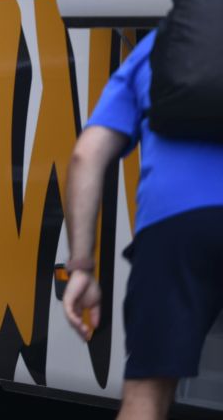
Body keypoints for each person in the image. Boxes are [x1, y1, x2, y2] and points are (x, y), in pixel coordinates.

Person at [62, 30, 223, 420]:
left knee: (145, 398)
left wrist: (81, 265)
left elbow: (86, 156)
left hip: (174, 231)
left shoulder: (159, 44)